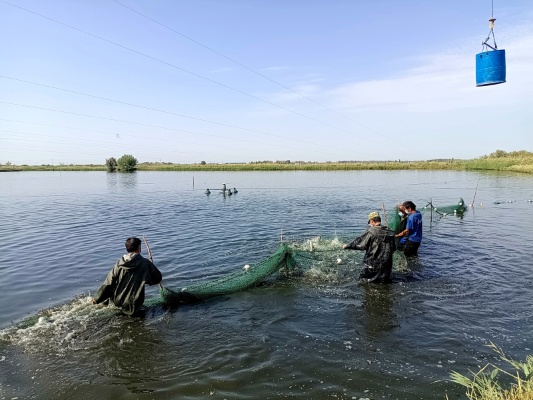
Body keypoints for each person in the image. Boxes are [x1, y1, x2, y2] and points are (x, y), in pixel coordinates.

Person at [92, 237, 163, 316]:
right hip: (134, 305)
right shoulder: (145, 263)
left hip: (117, 301)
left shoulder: (119, 263)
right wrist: (144, 280)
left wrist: (96, 299)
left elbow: (108, 283)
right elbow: (158, 278)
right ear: (139, 248)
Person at [342, 211, 396, 284]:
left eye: (370, 222)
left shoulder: (371, 231)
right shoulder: (390, 232)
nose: (370, 224)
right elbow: (394, 248)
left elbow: (360, 243)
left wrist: (347, 246)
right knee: (384, 284)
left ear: (372, 221)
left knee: (366, 283)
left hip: (373, 264)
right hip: (387, 265)